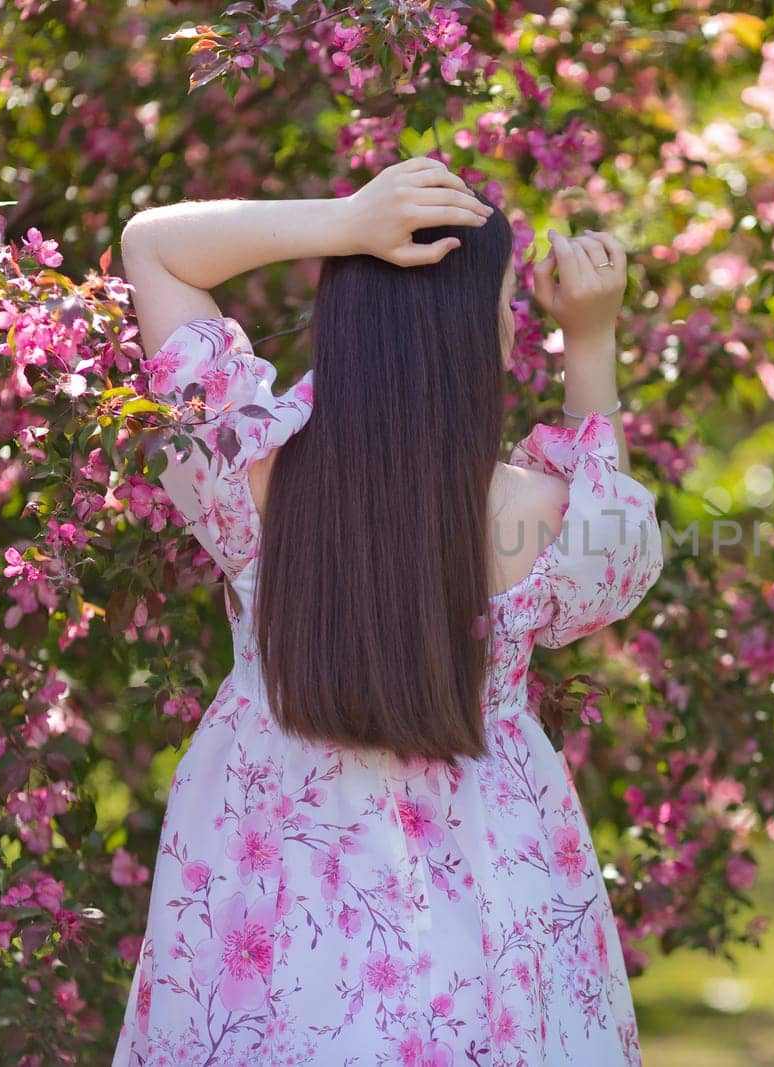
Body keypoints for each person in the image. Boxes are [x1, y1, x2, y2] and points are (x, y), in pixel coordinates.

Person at [111, 156, 663, 1065]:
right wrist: (593, 342)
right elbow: (615, 562)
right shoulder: (540, 518)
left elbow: (155, 247)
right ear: (476, 337)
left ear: (346, 317)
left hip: (272, 893)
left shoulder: (242, 474)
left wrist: (349, 223)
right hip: (492, 897)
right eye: (505, 314)